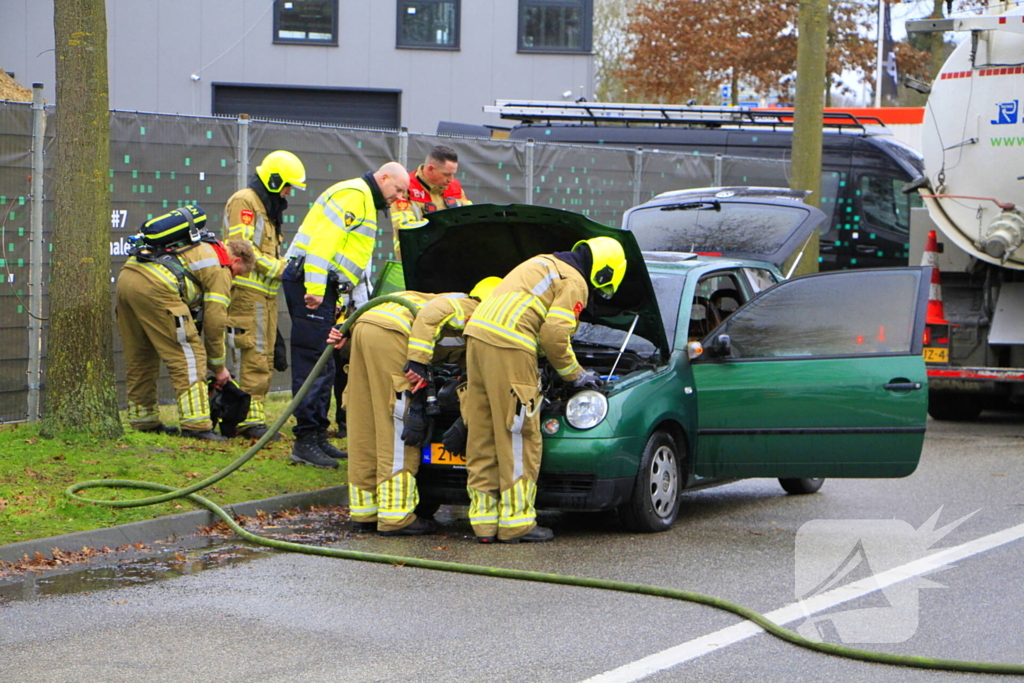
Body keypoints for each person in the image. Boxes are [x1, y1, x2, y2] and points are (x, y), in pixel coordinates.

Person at [462, 238, 627, 543]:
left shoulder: (540, 263)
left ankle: (483, 523)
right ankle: (517, 523)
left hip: (476, 339)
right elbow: (553, 334)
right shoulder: (574, 280)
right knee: (519, 434)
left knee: (482, 433)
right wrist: (576, 376)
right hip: (510, 345)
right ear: (604, 272)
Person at [329, 278, 499, 535]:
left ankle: (365, 513)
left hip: (366, 326)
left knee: (365, 427)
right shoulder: (471, 308)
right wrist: (418, 362)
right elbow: (432, 318)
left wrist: (347, 332)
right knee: (396, 430)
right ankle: (396, 517)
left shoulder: (432, 295)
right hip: (393, 335)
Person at [282, 162, 410, 468]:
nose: (399, 196)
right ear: (384, 178)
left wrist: (344, 302)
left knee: (325, 362)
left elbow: (349, 261)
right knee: (313, 360)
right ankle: (305, 440)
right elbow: (324, 243)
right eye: (398, 189)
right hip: (311, 284)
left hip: (324, 288)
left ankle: (317, 437)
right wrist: (314, 287)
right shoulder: (355, 195)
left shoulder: (364, 199)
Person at [116, 235, 256, 440]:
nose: (233, 278)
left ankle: (143, 420)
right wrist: (218, 367)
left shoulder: (199, 245)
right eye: (237, 274)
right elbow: (215, 322)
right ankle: (196, 425)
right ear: (235, 261)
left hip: (128, 278)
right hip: (158, 287)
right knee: (189, 356)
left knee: (141, 356)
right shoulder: (222, 266)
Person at [223, 150, 306, 440]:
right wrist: (278, 269)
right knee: (254, 354)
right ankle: (248, 421)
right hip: (248, 293)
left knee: (266, 354)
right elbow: (240, 246)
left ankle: (252, 417)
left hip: (265, 296)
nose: (289, 192)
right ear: (273, 180)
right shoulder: (246, 201)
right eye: (287, 185)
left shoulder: (267, 207)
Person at [389, 145, 471, 259]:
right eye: (446, 174)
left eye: (453, 174)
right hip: (417, 260)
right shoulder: (406, 189)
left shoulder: (455, 188)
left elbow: (471, 220)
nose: (451, 179)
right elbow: (404, 229)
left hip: (454, 259)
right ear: (431, 169)